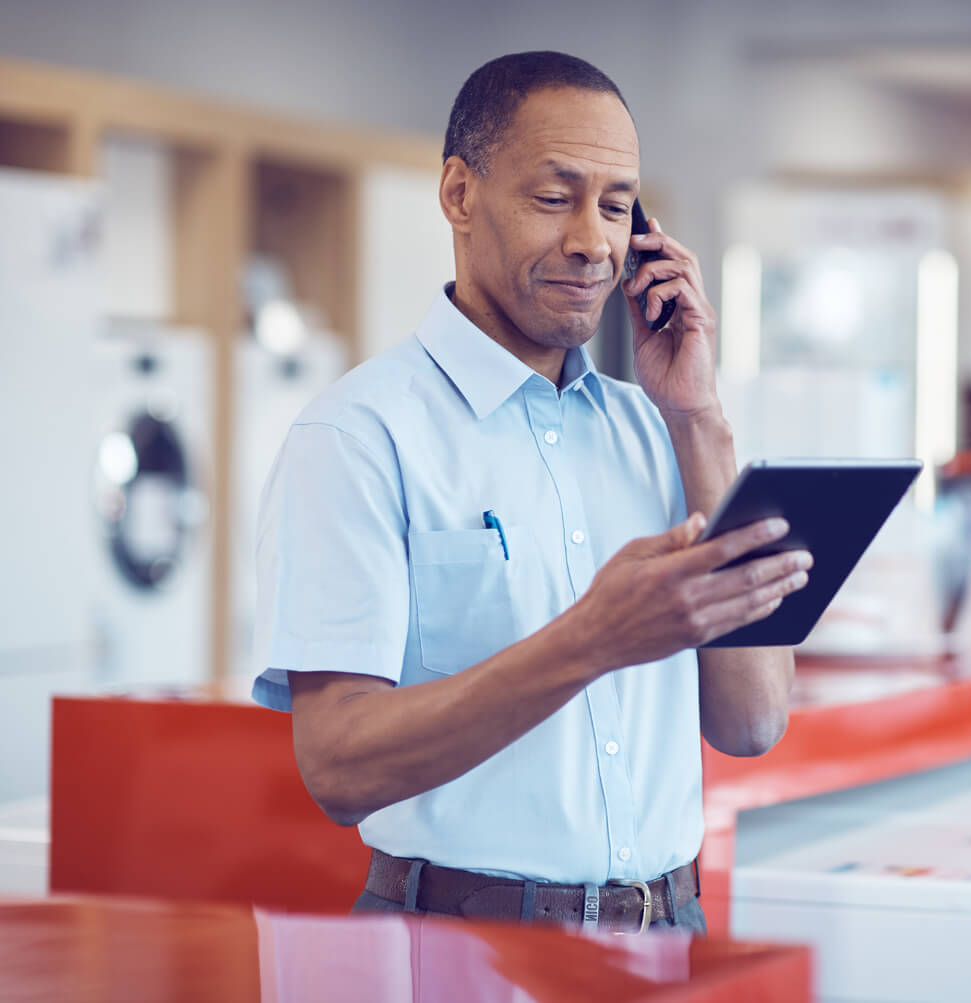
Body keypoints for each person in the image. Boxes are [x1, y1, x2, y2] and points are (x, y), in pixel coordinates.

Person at [250, 51, 810, 934]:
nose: (593, 240)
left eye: (618, 206)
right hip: (458, 944)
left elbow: (753, 718)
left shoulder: (657, 429)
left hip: (667, 933)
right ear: (460, 195)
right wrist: (590, 638)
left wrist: (700, 415)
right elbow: (337, 765)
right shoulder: (360, 434)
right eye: (556, 198)